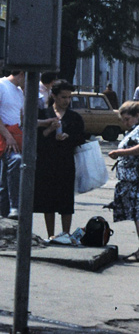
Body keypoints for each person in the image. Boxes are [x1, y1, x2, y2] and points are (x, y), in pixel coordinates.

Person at [34, 79, 86, 237]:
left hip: (66, 162)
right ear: (54, 96)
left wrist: (68, 137)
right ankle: (50, 235)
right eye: (63, 97)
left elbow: (81, 138)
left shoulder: (74, 117)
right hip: (47, 162)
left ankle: (65, 234)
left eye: (69, 97)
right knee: (48, 200)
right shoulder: (44, 114)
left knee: (66, 199)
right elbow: (37, 140)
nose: (67, 101)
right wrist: (50, 130)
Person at [108, 100, 139, 261]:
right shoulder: (137, 128)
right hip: (137, 179)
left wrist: (120, 152)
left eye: (127, 119)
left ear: (137, 116)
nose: (125, 123)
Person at [0, 69, 25, 218]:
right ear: (21, 73)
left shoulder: (19, 92)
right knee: (15, 162)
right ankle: (13, 206)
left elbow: (21, 117)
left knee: (6, 177)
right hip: (5, 137)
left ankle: (9, 209)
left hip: (14, 137)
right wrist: (8, 136)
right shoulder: (1, 85)